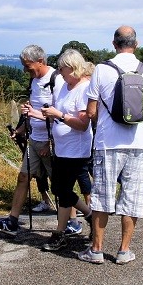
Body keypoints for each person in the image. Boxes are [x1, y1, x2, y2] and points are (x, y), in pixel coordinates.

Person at [79, 26, 143, 265]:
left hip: (108, 143)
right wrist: (139, 125)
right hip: (138, 144)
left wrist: (108, 122)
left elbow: (91, 111)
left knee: (102, 197)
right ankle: (124, 251)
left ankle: (96, 250)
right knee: (132, 197)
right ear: (136, 44)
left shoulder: (102, 70)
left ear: (114, 44)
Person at [0, 45, 66, 236]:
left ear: (40, 61)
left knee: (60, 185)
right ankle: (12, 221)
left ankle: (72, 222)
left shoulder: (57, 79)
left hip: (51, 142)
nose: (25, 70)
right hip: (34, 139)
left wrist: (49, 142)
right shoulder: (34, 81)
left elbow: (61, 114)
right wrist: (22, 128)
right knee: (23, 177)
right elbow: (34, 110)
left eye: (28, 65)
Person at [37, 49, 95, 251]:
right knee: (59, 190)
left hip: (76, 150)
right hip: (61, 148)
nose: (60, 72)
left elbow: (82, 124)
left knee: (62, 191)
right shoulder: (64, 87)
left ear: (73, 67)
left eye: (62, 69)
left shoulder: (84, 89)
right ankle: (89, 215)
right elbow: (55, 113)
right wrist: (37, 113)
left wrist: (59, 115)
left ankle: (60, 233)